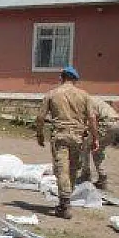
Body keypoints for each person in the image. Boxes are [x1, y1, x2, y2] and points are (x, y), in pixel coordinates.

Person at [35, 66, 98, 219]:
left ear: (61, 77)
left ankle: (64, 204)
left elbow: (40, 117)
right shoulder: (84, 96)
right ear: (75, 80)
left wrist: (40, 135)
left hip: (61, 135)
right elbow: (92, 119)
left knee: (61, 169)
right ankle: (66, 200)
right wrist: (95, 138)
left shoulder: (52, 94)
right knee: (72, 169)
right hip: (78, 137)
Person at [79, 96, 119, 191]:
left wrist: (93, 136)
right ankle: (102, 178)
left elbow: (92, 119)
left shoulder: (85, 102)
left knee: (84, 147)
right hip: (116, 124)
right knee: (98, 151)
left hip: (105, 123)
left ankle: (85, 175)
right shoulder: (94, 100)